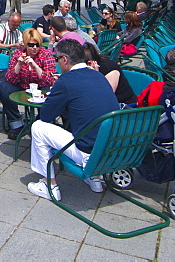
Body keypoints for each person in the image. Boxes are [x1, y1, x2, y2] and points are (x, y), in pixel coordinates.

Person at [27, 39, 121, 200]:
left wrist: (58, 92)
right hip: (112, 151)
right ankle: (94, 179)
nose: (56, 62)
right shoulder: (97, 75)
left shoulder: (66, 81)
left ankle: (49, 185)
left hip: (89, 154)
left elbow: (46, 116)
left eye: (57, 59)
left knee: (38, 127)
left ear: (65, 60)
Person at [0, 28, 57, 139]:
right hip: (22, 86)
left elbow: (50, 80)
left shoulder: (46, 55)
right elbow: (9, 78)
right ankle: (16, 124)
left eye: (37, 45)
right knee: (4, 87)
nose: (34, 48)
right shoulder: (18, 54)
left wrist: (36, 66)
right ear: (25, 44)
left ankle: (39, 124)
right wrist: (19, 65)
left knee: (50, 91)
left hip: (40, 86)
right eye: (31, 45)